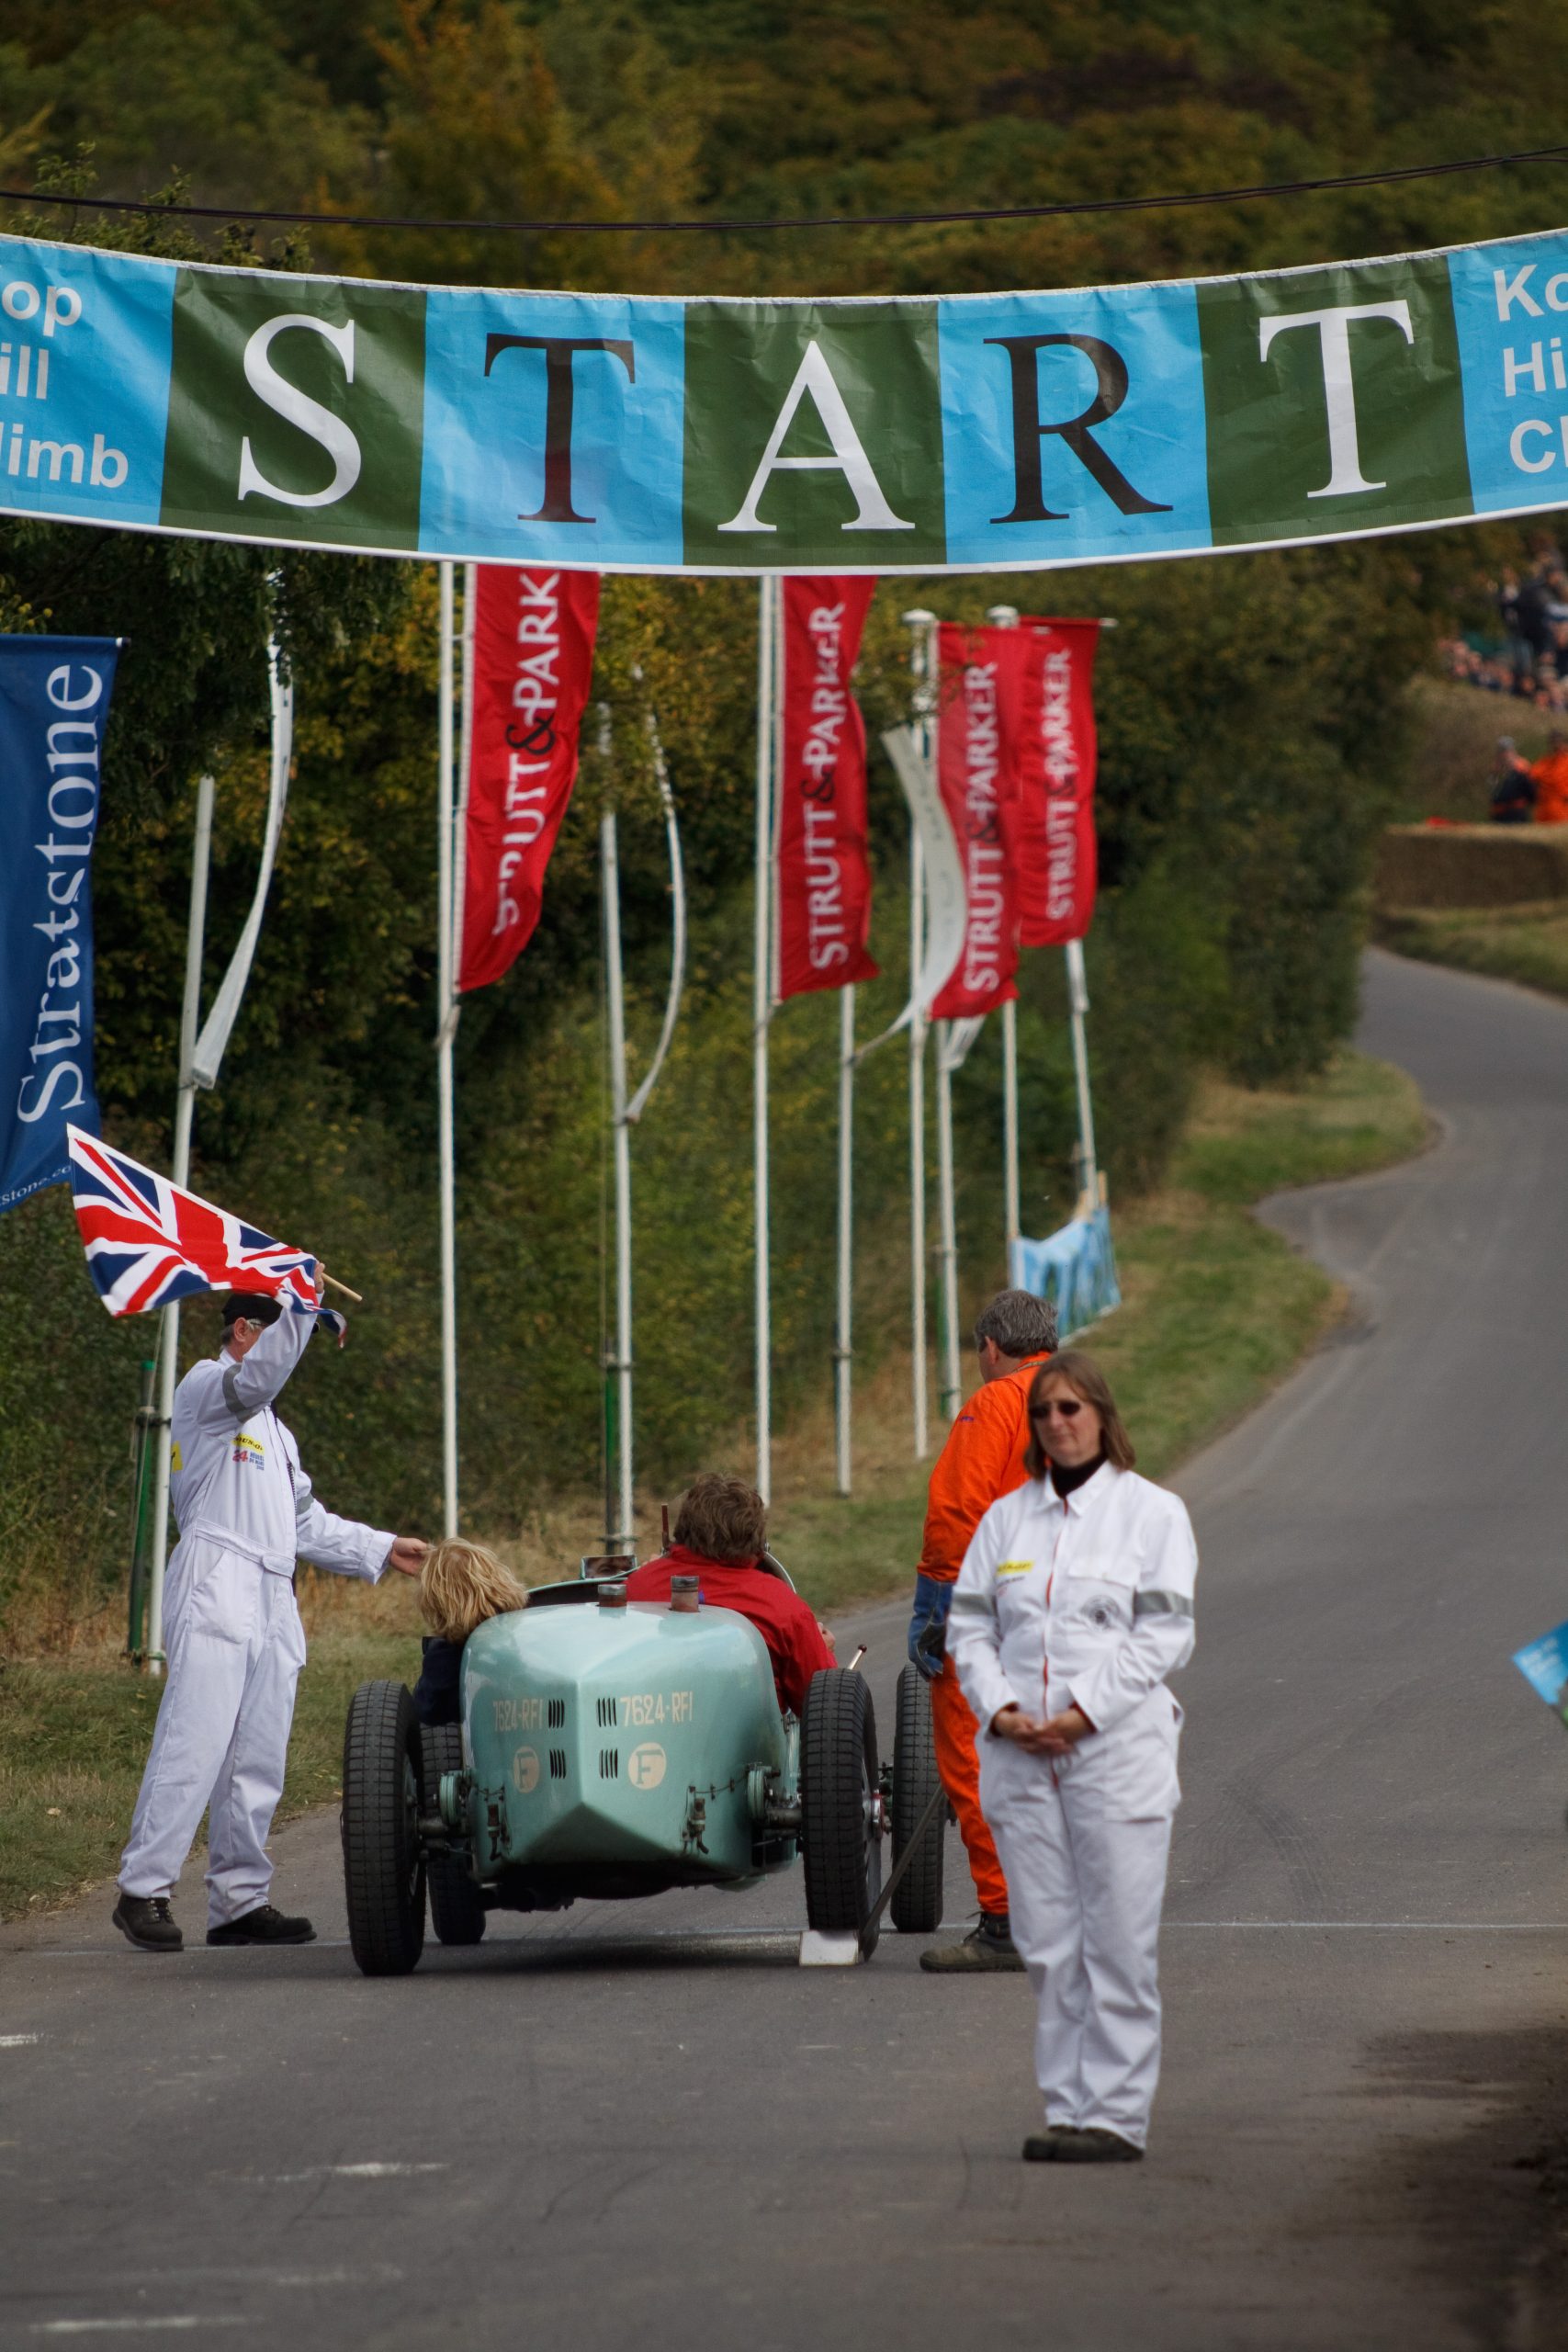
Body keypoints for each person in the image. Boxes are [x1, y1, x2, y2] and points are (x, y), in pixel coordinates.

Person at [113, 1283, 427, 1955]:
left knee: (258, 1755)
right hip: (217, 1573)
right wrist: (302, 1302)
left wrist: (377, 1546)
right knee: (194, 1740)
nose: (297, 1355)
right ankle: (143, 1888)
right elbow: (254, 1382)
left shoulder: (277, 1435)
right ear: (248, 1331)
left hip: (272, 1588)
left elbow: (304, 1519)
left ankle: (238, 1901)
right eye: (289, 1337)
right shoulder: (208, 1387)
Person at [950, 1351, 1197, 2165]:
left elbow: (1164, 1633)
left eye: (1071, 1408)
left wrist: (1084, 1714)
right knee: (1050, 1943)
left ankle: (1116, 2118)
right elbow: (969, 1633)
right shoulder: (1004, 1522)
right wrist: (1004, 1710)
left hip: (1115, 1753)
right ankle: (1066, 2109)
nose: (1057, 1423)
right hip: (1021, 1758)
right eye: (1044, 1411)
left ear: (1101, 1416)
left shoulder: (1152, 1515)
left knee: (1117, 1944)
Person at [907, 1289, 1057, 1973]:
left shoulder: (994, 1403)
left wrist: (939, 1610)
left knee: (978, 1763)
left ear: (991, 1347)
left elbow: (954, 1515)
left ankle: (1005, 1923)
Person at [624, 1475, 835, 1717]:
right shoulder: (781, 1606)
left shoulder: (637, 1586)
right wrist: (822, 1649)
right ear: (753, 1536)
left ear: (684, 1527)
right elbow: (823, 1709)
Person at [412, 1538, 530, 1725]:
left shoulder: (445, 1658)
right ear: (500, 1581)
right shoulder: (523, 1636)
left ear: (438, 1602)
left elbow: (428, 1712)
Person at [1490, 737, 1536, 824]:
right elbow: (1492, 790)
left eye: (1506, 750)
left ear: (1513, 750)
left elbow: (1530, 790)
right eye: (1502, 751)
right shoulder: (1495, 767)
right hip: (1499, 811)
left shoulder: (1522, 766)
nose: (1504, 754)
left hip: (1517, 810)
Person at [1533, 728, 1568, 824]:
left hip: (1562, 808)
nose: (1556, 745)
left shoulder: (1566, 761)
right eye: (1553, 742)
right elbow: (1532, 777)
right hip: (1544, 809)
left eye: (1558, 742)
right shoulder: (1543, 762)